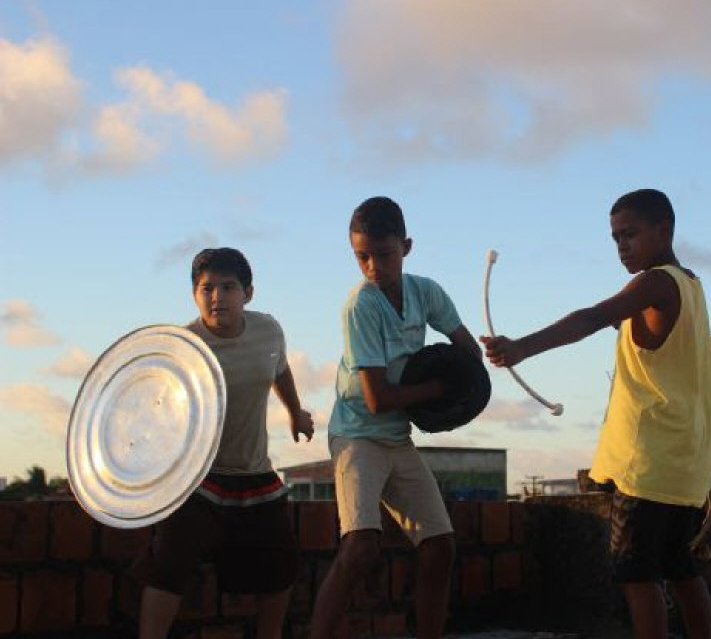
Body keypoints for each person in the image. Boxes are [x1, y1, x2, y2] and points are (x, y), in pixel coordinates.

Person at [482, 188, 711, 639]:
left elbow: (592, 316)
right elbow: (620, 321)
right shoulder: (690, 283)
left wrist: (522, 348)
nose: (621, 246)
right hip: (686, 464)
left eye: (630, 234)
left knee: (637, 575)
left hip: (649, 461)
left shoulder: (653, 283)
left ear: (663, 230)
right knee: (683, 570)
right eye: (615, 238)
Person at [309, 197, 481, 639]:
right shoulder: (360, 306)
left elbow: (467, 351)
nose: (372, 266)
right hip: (357, 437)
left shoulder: (426, 292)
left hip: (397, 437)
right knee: (361, 546)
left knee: (440, 546)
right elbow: (377, 397)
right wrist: (437, 390)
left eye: (383, 254)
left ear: (406, 247)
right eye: (361, 256)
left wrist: (474, 366)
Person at [140, 247, 314, 639]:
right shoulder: (183, 346)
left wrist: (295, 413)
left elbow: (280, 369)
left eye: (228, 287)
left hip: (254, 475)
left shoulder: (268, 330)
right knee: (169, 566)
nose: (217, 296)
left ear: (247, 293)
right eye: (207, 288)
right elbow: (156, 410)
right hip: (198, 479)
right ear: (194, 295)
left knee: (281, 568)